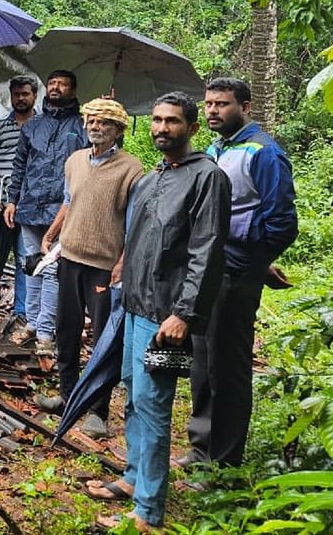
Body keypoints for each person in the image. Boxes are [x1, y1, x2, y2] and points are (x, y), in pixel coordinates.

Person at [98, 92, 229, 534]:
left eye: (172, 121)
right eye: (155, 119)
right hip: (136, 308)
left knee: (154, 407)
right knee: (133, 397)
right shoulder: (151, 178)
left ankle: (149, 511)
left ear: (191, 129)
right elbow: (137, 240)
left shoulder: (206, 178)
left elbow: (206, 252)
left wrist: (185, 314)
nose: (161, 128)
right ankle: (135, 479)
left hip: (167, 318)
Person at [182, 77, 298, 468]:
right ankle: (201, 447)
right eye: (209, 104)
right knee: (201, 361)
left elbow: (281, 222)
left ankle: (224, 460)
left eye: (223, 104)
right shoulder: (216, 149)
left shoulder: (264, 153)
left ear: (245, 107)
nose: (213, 110)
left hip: (235, 272)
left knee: (226, 367)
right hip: (205, 269)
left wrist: (252, 262)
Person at [34, 98, 143, 438]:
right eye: (91, 121)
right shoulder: (75, 160)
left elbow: (134, 222)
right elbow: (70, 201)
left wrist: (122, 263)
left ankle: (97, 411)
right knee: (66, 332)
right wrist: (52, 234)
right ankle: (68, 396)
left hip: (103, 265)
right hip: (69, 258)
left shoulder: (132, 170)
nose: (95, 127)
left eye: (104, 123)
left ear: (119, 130)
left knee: (101, 339)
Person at [3, 70, 88, 356]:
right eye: (52, 83)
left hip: (64, 209)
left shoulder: (82, 125)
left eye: (62, 84)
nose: (56, 87)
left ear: (73, 91)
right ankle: (31, 322)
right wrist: (12, 200)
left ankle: (45, 332)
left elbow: (101, 158)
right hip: (30, 205)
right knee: (31, 266)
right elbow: (19, 165)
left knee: (52, 269)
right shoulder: (33, 125)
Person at [0, 76, 38, 331]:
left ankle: (22, 309)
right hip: (0, 203)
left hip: (29, 207)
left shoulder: (42, 128)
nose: (20, 98)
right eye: (16, 94)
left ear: (35, 95)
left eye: (25, 94)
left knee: (25, 258)